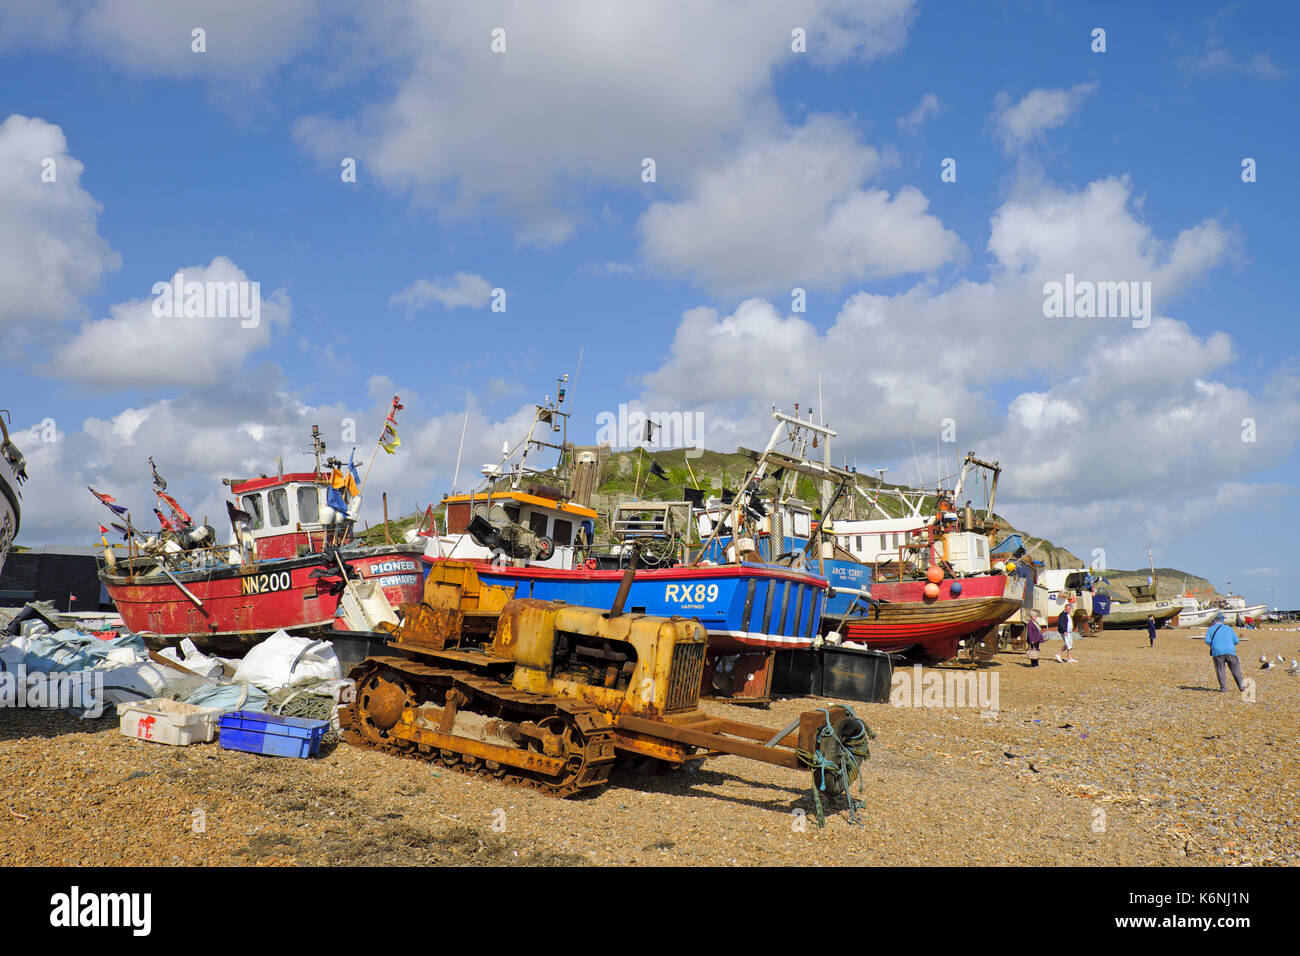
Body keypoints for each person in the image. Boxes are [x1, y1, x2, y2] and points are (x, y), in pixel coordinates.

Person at [1205, 612, 1245, 693]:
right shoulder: (1229, 628)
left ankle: (1223, 688)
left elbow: (1207, 641)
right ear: (1222, 620)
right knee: (1235, 668)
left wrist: (1214, 645)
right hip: (1230, 651)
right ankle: (1241, 686)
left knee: (1220, 669)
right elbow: (1236, 641)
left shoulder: (1210, 629)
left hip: (1217, 651)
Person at [1054, 599, 1078, 663]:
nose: (1069, 609)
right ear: (1065, 608)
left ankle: (1069, 657)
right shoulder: (1062, 615)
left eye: (1070, 608)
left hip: (1069, 632)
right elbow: (1061, 623)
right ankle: (1059, 655)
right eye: (1068, 608)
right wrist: (1064, 631)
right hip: (1065, 632)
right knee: (1068, 644)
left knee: (1070, 644)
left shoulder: (1067, 614)